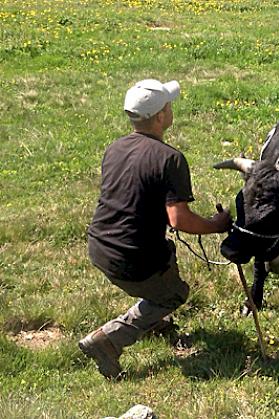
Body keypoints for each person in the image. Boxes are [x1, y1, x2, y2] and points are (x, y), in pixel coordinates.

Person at [80, 79, 232, 379]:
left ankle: (153, 321)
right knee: (174, 293)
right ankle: (108, 340)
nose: (171, 109)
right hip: (131, 257)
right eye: (169, 105)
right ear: (161, 116)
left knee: (164, 265)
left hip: (99, 246)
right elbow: (179, 220)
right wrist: (216, 226)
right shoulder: (170, 159)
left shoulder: (115, 148)